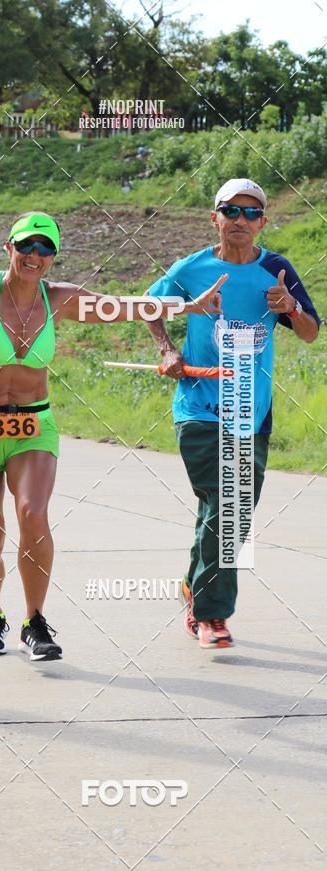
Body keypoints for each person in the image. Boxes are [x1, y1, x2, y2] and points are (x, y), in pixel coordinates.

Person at [0, 210, 226, 661]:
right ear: (9, 248)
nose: (35, 255)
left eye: (45, 249)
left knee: (33, 513)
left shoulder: (60, 298)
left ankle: (34, 621)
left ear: (53, 257)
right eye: (27, 246)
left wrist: (187, 307)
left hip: (32, 424)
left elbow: (122, 306)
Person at [145, 178, 320, 649]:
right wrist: (167, 350)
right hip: (198, 404)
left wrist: (291, 308)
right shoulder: (192, 268)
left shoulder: (277, 270)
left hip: (251, 410)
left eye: (251, 213)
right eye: (231, 211)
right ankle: (212, 615)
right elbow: (148, 306)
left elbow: (309, 333)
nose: (240, 220)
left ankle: (193, 583)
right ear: (214, 217)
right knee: (228, 506)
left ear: (263, 221)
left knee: (228, 511)